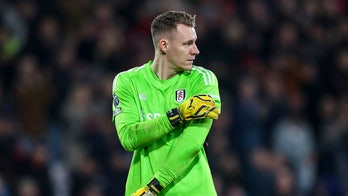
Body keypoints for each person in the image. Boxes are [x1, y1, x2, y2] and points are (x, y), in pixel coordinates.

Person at [112, 10, 221, 196]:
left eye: (194, 42)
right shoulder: (127, 81)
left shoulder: (202, 79)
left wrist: (154, 187)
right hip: (140, 190)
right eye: (187, 44)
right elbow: (129, 138)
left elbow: (192, 144)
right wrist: (177, 116)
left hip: (191, 191)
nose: (196, 50)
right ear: (164, 45)